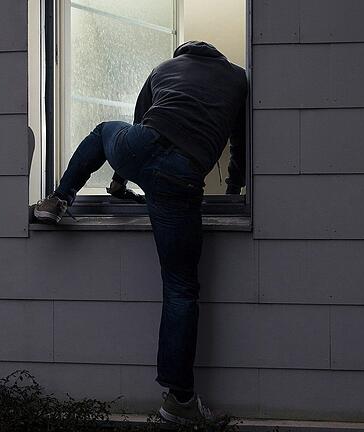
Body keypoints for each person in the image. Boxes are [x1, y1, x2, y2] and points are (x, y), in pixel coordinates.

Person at [33, 40, 247, 424]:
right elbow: (242, 144)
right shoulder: (238, 79)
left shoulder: (163, 68)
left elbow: (139, 121)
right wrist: (234, 192)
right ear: (217, 56)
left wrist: (118, 180)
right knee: (181, 288)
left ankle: (58, 199)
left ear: (183, 54)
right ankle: (179, 402)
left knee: (103, 131)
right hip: (181, 176)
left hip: (140, 148)